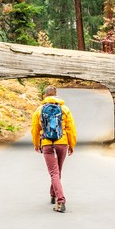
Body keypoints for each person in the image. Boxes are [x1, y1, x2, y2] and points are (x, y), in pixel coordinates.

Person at [31, 85, 77, 213]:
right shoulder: (65, 109)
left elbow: (35, 129)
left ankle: (60, 201)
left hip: (46, 143)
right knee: (58, 171)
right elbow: (71, 129)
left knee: (53, 173)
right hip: (62, 142)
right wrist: (71, 144)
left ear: (44, 96)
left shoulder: (39, 110)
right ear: (56, 95)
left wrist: (36, 144)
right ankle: (53, 195)